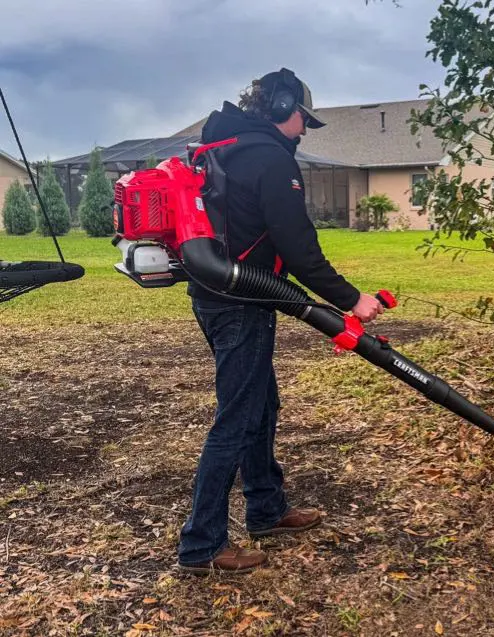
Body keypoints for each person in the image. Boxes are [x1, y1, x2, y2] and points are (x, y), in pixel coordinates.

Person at [177, 67, 384, 575]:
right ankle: (202, 545)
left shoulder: (226, 147)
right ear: (282, 108)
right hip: (240, 302)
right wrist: (351, 298)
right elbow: (299, 250)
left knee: (259, 403)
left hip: (220, 295)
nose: (303, 131)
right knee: (237, 418)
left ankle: (266, 508)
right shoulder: (268, 159)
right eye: (302, 120)